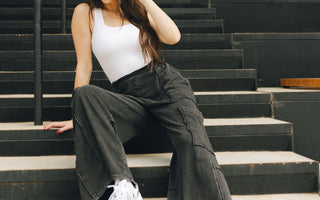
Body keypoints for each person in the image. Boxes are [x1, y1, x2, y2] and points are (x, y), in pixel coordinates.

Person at [43, 0, 232, 199]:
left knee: (191, 141)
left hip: (164, 87)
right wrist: (80, 115)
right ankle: (122, 186)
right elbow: (83, 66)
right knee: (84, 95)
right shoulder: (85, 12)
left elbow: (173, 37)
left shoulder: (138, 7)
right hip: (129, 98)